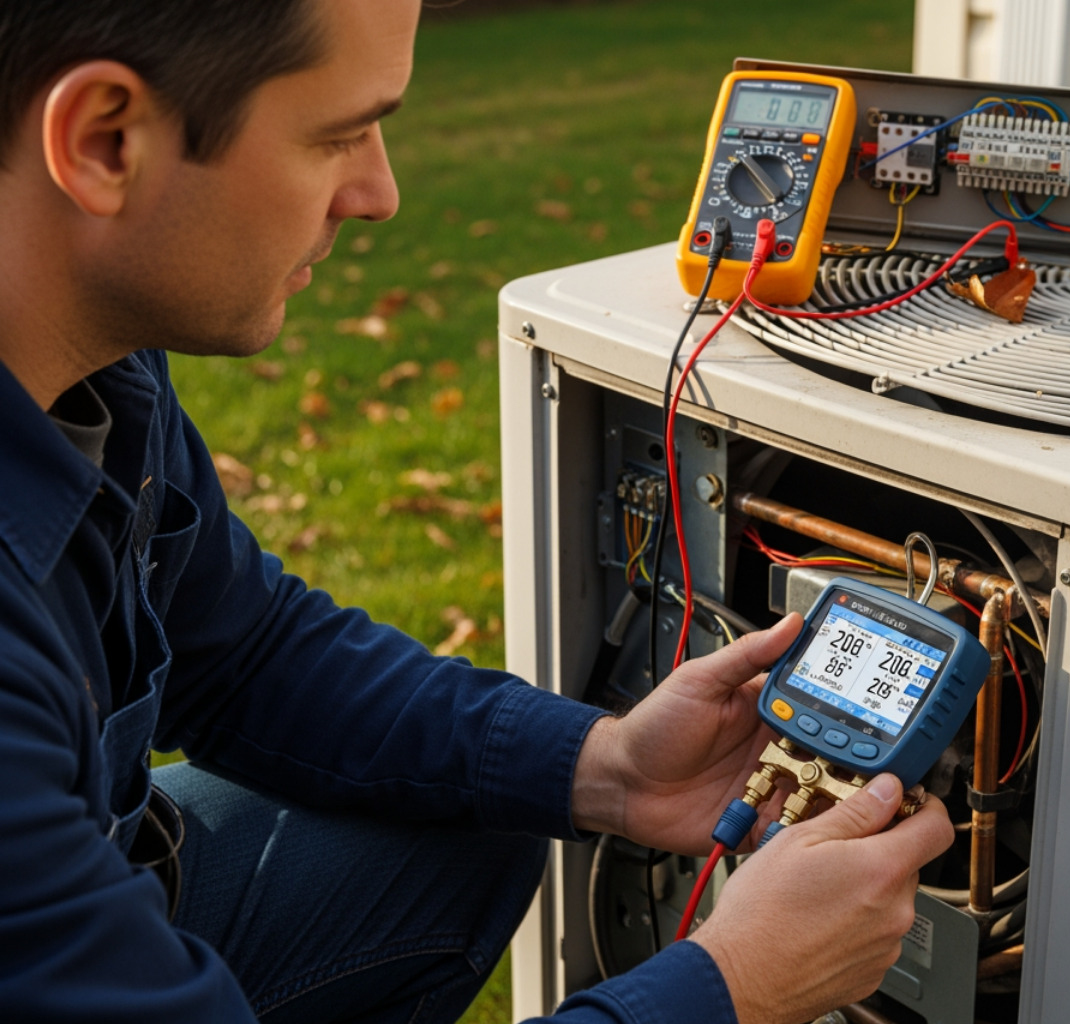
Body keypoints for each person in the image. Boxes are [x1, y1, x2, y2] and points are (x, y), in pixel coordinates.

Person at [0, 1, 955, 1022]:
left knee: (475, 809)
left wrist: (607, 768)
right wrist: (736, 986)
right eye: (337, 135)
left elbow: (246, 654)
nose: (379, 195)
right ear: (105, 141)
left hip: (104, 874)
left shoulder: (96, 368)